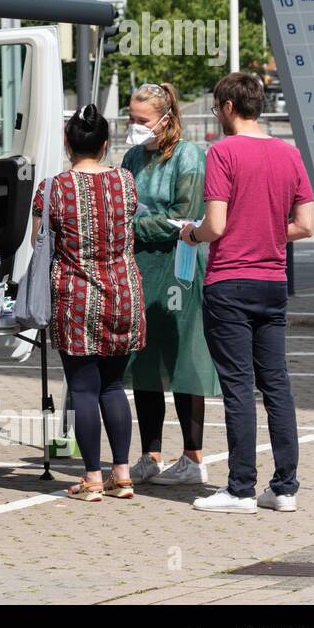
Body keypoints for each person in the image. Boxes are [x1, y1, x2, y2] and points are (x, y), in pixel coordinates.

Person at [180, 73, 314, 514]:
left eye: (218, 107)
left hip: (230, 281)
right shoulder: (289, 153)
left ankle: (240, 488)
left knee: (238, 386)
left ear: (229, 107)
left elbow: (215, 225)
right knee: (276, 384)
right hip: (272, 281)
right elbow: (305, 225)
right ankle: (285, 487)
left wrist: (192, 235)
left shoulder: (222, 152)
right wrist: (265, 233)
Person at [32, 104, 145, 502]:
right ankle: (123, 475)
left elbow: (37, 242)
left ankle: (92, 479)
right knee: (113, 385)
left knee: (83, 388)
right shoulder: (126, 182)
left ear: (67, 143)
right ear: (105, 144)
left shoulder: (51, 189)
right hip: (124, 295)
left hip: (76, 297)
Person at [120, 83, 219, 487]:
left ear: (165, 119)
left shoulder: (189, 157)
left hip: (180, 267)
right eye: (131, 119)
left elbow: (185, 216)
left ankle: (193, 457)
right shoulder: (131, 156)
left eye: (142, 121)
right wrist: (134, 226)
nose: (135, 128)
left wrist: (136, 226)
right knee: (144, 359)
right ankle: (149, 454)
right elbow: (121, 200)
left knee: (184, 358)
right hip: (141, 267)